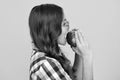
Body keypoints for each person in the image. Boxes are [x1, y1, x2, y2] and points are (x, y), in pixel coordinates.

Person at [28, 3, 93, 80]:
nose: (68, 28)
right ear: (51, 29)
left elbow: (72, 78)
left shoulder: (47, 53)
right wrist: (87, 56)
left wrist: (79, 54)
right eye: (64, 24)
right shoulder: (47, 64)